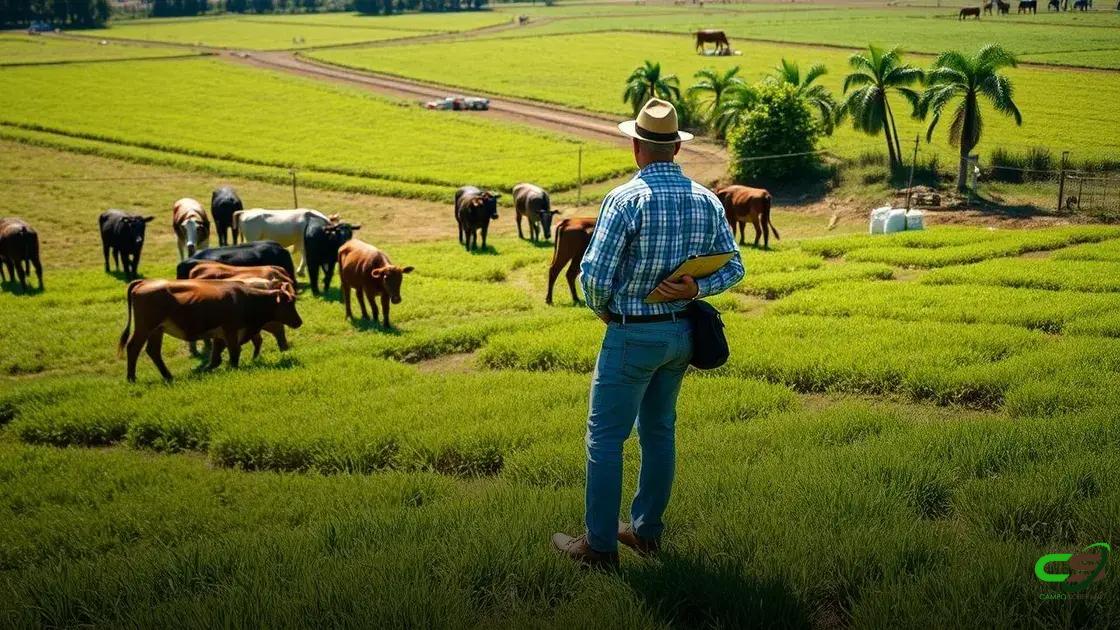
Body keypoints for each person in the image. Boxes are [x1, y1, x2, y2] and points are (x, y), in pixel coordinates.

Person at [551, 98, 744, 568]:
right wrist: (698, 285)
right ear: (676, 147)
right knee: (659, 432)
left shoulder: (624, 199)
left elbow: (594, 276)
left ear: (637, 147)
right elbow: (735, 266)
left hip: (631, 335)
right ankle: (646, 533)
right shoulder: (705, 199)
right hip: (681, 335)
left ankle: (598, 547)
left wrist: (604, 313)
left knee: (605, 439)